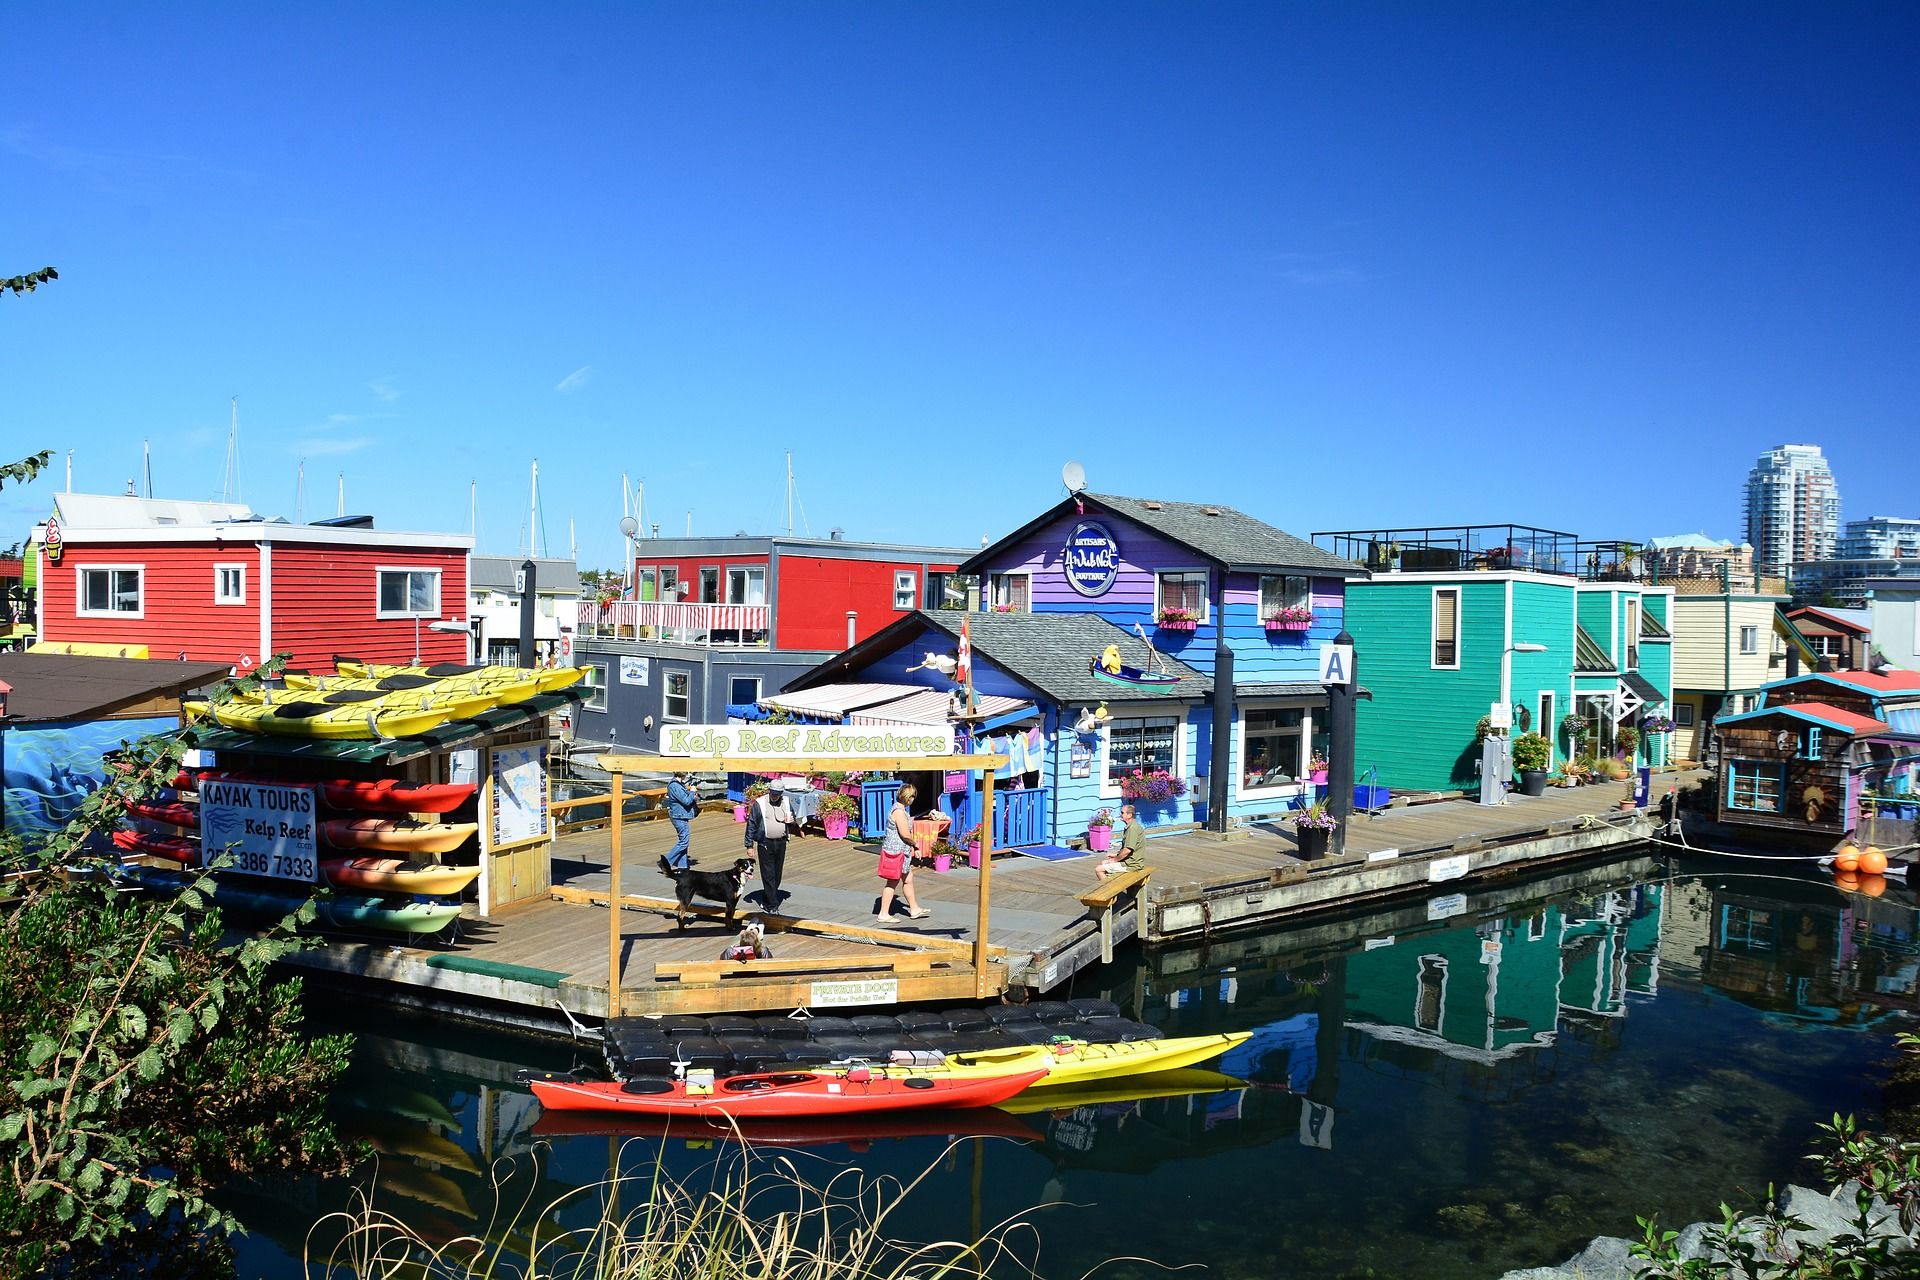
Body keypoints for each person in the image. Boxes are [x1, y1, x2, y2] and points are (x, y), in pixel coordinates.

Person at [876, 783, 932, 922]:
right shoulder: (899, 812)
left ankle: (914, 909)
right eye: (912, 797)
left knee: (908, 879)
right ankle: (883, 914)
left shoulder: (900, 810)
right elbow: (905, 834)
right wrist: (916, 845)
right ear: (909, 798)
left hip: (902, 852)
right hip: (896, 852)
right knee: (892, 882)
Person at [744, 787, 798, 910]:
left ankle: (767, 897)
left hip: (781, 842)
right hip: (765, 843)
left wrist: (791, 821)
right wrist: (749, 845)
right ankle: (773, 905)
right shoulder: (760, 803)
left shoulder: (786, 801)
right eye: (773, 794)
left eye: (777, 794)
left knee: (777, 873)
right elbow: (751, 824)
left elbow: (794, 820)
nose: (774, 796)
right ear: (769, 791)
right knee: (768, 874)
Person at [1095, 803, 1148, 881]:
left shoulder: (1132, 829)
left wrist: (1114, 860)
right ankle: (1112, 887)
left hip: (1132, 865)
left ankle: (1111, 891)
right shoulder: (1132, 826)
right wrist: (1116, 854)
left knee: (1099, 869)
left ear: (1129, 815)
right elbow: (1129, 849)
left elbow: (1127, 850)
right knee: (1104, 862)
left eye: (1122, 812)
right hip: (1131, 861)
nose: (1120, 814)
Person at [661, 771, 699, 874]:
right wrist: (691, 791)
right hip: (678, 816)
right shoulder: (674, 785)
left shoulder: (679, 784)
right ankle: (665, 862)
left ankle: (683, 866)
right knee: (684, 841)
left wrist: (693, 794)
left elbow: (687, 799)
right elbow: (686, 801)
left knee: (684, 841)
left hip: (681, 815)